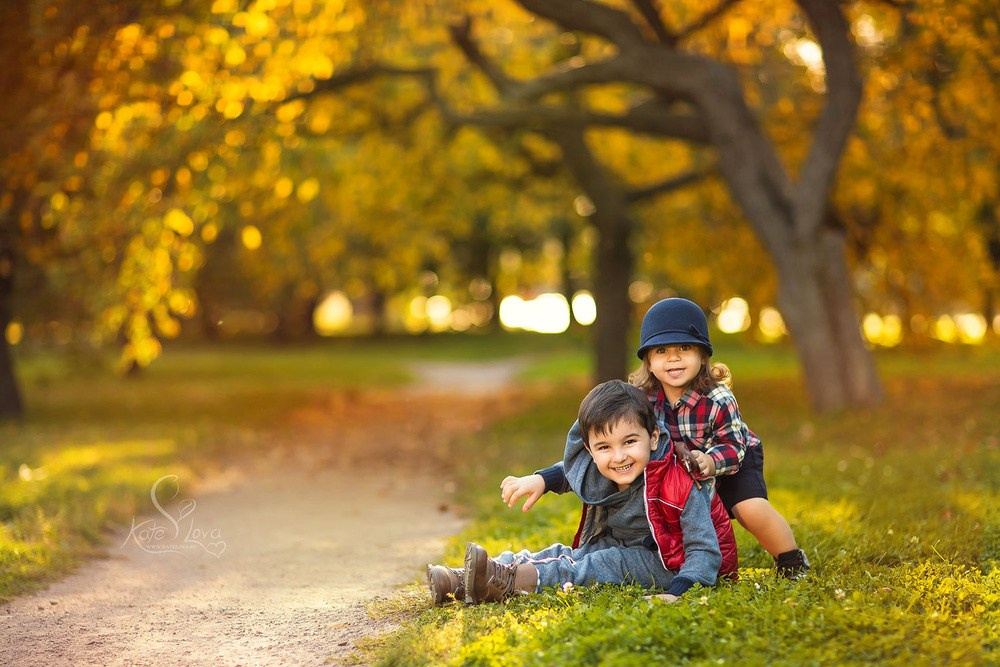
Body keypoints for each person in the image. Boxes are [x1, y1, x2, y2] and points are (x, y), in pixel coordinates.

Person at [502, 298, 810, 579]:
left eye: (684, 349)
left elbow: (734, 447)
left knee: (750, 509)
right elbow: (600, 453)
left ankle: (790, 559)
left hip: (729, 458)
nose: (673, 359)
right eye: (662, 351)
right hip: (677, 467)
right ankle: (667, 551)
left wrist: (710, 461)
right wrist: (544, 479)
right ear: (648, 360)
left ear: (702, 355)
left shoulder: (717, 398)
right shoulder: (643, 400)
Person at [426, 379, 737, 605]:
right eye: (604, 447)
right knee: (561, 554)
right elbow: (576, 472)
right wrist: (542, 481)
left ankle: (504, 582)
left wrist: (678, 592)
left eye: (630, 442)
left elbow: (704, 550)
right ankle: (467, 577)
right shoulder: (610, 467)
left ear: (653, 437)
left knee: (591, 566)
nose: (618, 457)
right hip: (622, 545)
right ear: (590, 450)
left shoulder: (678, 483)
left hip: (672, 564)